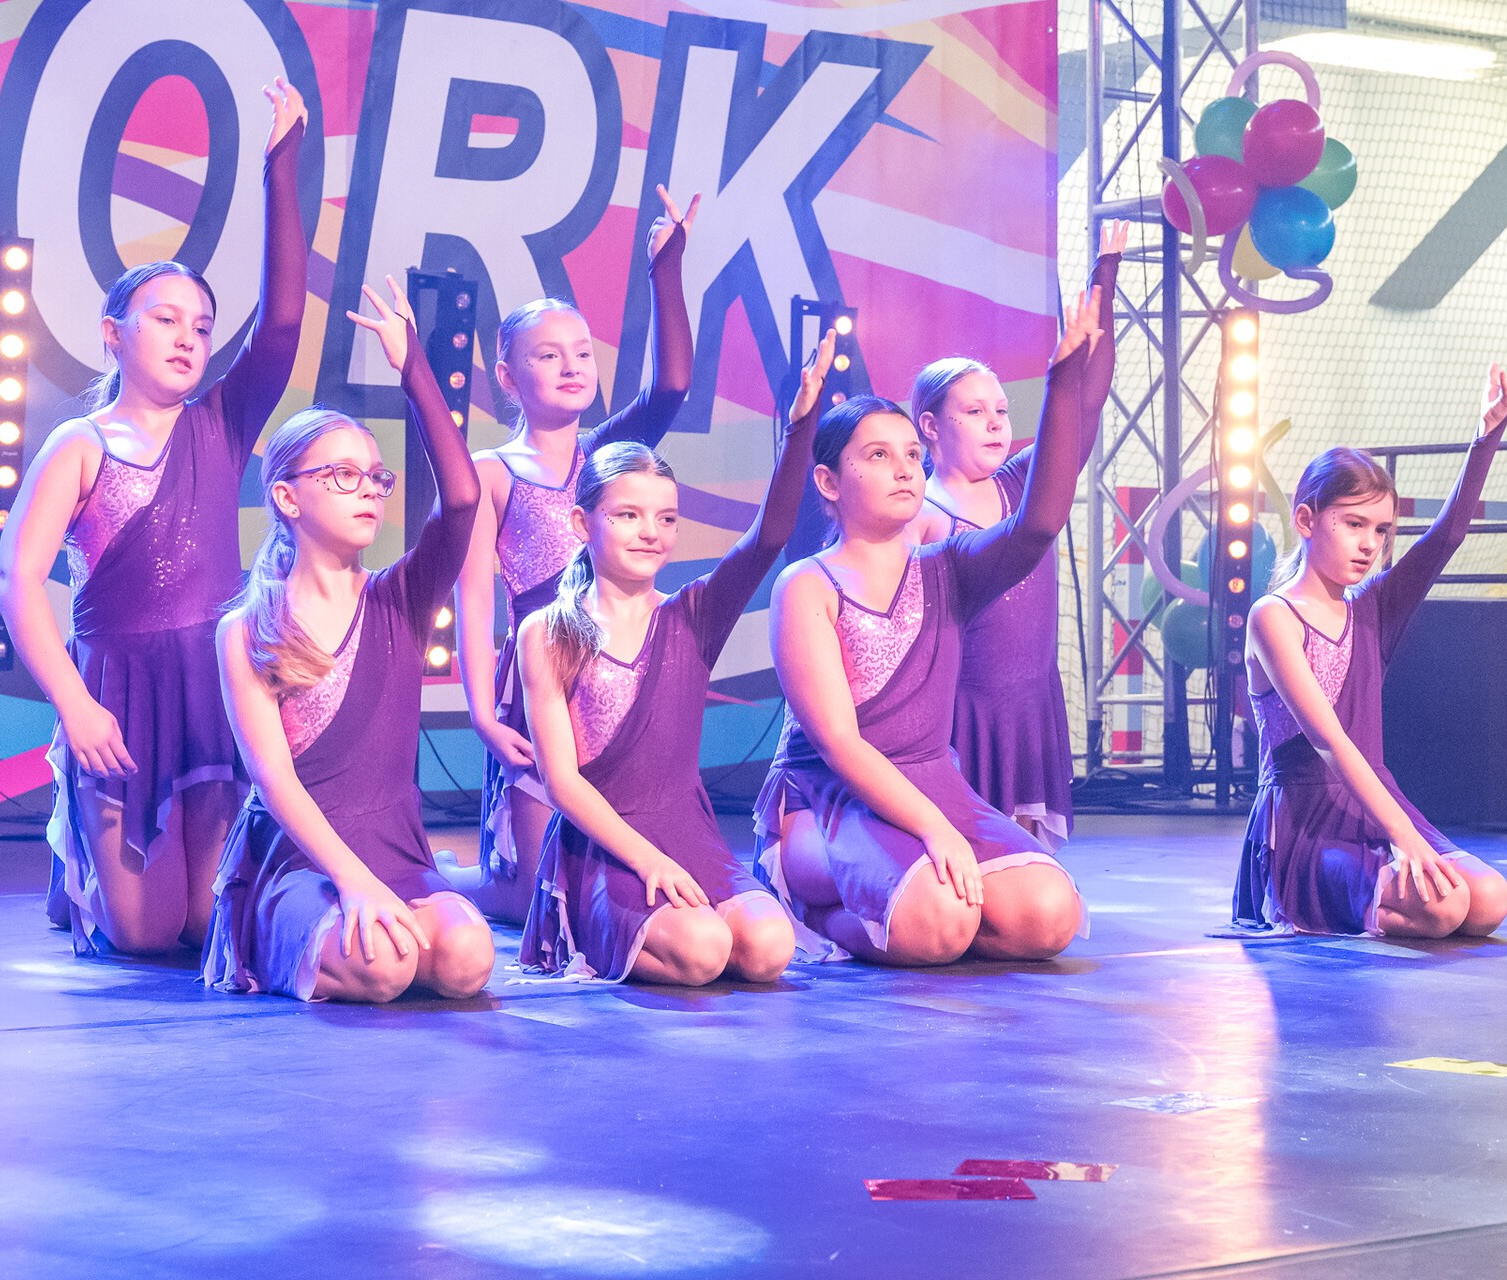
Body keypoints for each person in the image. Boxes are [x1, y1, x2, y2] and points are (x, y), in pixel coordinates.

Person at [0, 79, 309, 955]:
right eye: (165, 319)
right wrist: (75, 707)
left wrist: (281, 163)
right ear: (113, 333)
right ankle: (74, 851)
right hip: (119, 692)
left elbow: (283, 323)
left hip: (209, 682)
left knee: (205, 924)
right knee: (143, 933)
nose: (186, 337)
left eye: (201, 327)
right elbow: (16, 580)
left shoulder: (222, 424)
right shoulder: (81, 444)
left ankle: (91, 856)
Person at [754, 294, 1104, 966]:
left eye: (911, 455)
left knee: (1048, 916)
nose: (904, 468)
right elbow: (839, 745)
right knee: (940, 924)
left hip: (934, 784)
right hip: (836, 795)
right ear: (829, 481)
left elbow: (1036, 524)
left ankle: (920, 907)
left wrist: (1063, 382)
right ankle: (812, 910)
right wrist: (936, 831)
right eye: (878, 455)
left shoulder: (949, 568)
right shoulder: (806, 585)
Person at [514, 333, 838, 985]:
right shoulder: (547, 632)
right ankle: (597, 930)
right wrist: (646, 860)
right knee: (703, 949)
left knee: (768, 945)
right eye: (628, 515)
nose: (650, 533)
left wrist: (801, 425)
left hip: (689, 833)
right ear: (582, 523)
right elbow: (562, 781)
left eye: (665, 519)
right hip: (607, 844)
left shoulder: (693, 615)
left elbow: (768, 538)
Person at [203, 279, 492, 1001]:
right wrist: (352, 881)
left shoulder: (400, 600)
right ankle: (289, 940)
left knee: (466, 957)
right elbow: (274, 780)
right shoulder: (247, 628)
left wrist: (413, 367)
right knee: (385, 966)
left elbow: (463, 499)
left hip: (395, 852)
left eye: (375, 477)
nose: (367, 489)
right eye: (341, 475)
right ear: (287, 497)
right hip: (304, 862)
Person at [1233, 352, 1507, 938]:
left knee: (1488, 899)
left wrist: (1487, 434)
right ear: (1306, 520)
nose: (1369, 544)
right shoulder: (1272, 616)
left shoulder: (1373, 606)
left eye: (1380, 530)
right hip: (1308, 819)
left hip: (1378, 799)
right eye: (1353, 524)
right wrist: (1404, 836)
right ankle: (1307, 903)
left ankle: (1377, 895)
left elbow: (1446, 537)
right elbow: (1329, 742)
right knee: (1445, 909)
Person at [456, 188, 698, 925]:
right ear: (507, 377)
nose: (571, 366)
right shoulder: (492, 472)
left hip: (618, 672)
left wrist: (666, 269)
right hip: (543, 677)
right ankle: (432, 878)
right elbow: (474, 598)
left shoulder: (611, 455)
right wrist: (480, 713)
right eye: (547, 355)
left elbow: (672, 384)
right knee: (528, 896)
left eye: (583, 353)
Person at [907, 222, 1128, 845]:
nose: (995, 423)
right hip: (961, 710)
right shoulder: (921, 512)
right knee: (966, 852)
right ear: (930, 425)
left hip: (1030, 700)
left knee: (1025, 856)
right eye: (974, 412)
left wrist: (1105, 276)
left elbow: (1086, 405)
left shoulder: (1025, 482)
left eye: (1002, 410)